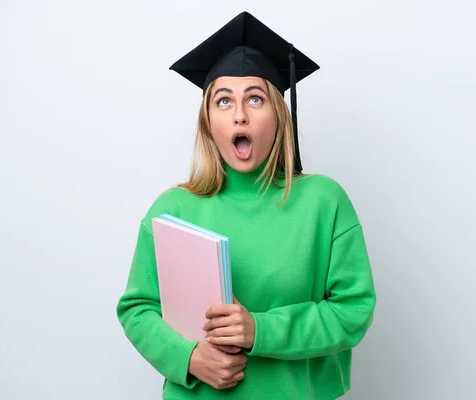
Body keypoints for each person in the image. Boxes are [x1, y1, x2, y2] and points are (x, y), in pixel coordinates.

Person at [116, 11, 377, 400]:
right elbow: (138, 308)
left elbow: (353, 310)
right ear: (208, 119)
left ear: (278, 115)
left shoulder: (323, 202)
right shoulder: (173, 209)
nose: (239, 114)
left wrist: (259, 330)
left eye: (255, 98)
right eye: (223, 101)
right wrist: (188, 358)